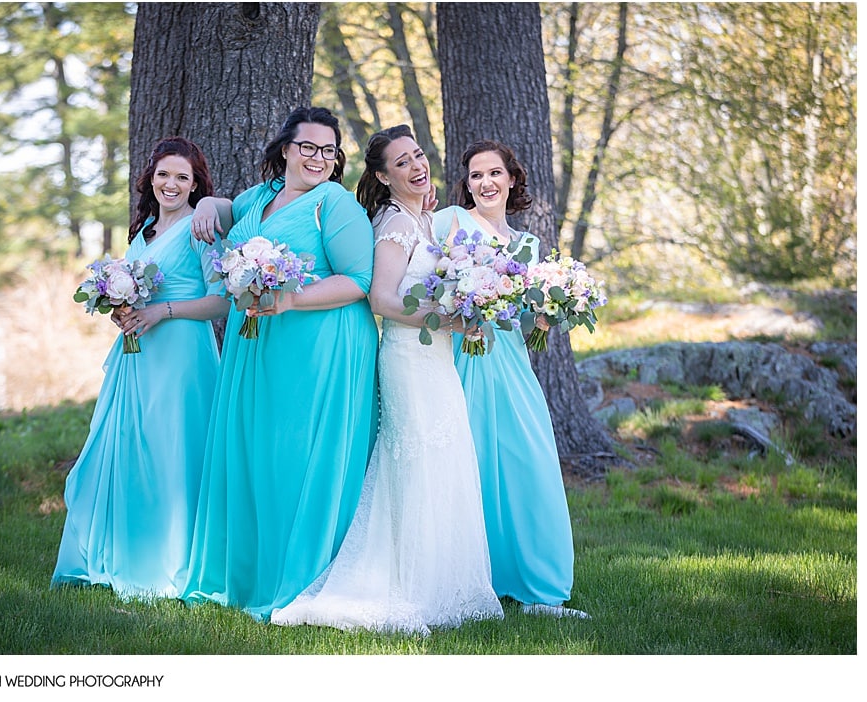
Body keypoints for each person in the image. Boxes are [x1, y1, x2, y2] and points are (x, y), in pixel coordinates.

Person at [270, 125, 504, 636]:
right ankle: (407, 585)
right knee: (415, 461)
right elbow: (380, 300)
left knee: (444, 459)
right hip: (407, 358)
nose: (416, 166)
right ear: (382, 175)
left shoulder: (423, 219)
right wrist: (445, 319)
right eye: (402, 163)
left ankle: (445, 584)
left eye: (418, 155)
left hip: (438, 359)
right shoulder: (394, 223)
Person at [180, 107, 380, 620]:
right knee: (258, 454)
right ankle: (250, 574)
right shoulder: (262, 196)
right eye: (308, 147)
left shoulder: (334, 203)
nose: (319, 157)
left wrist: (291, 299)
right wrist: (207, 201)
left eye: (329, 150)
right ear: (286, 149)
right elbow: (227, 214)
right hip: (258, 343)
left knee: (297, 455)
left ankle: (301, 577)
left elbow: (358, 280)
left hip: (318, 345)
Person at [52, 136, 229, 599]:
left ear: (196, 185)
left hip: (181, 357)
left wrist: (161, 313)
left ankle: (169, 562)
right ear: (151, 177)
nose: (171, 184)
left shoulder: (200, 229)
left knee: (171, 451)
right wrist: (122, 309)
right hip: (138, 353)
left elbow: (220, 301)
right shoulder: (143, 229)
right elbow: (135, 288)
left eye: (182, 177)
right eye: (164, 174)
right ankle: (119, 552)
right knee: (128, 446)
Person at [434, 139, 587, 618]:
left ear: (512, 179)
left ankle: (536, 587)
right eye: (476, 175)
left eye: (494, 173)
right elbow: (429, 287)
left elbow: (519, 319)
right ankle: (467, 580)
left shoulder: (528, 245)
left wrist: (546, 315)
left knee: (526, 463)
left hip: (511, 364)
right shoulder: (448, 223)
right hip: (459, 358)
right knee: (468, 464)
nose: (486, 183)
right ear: (467, 184)